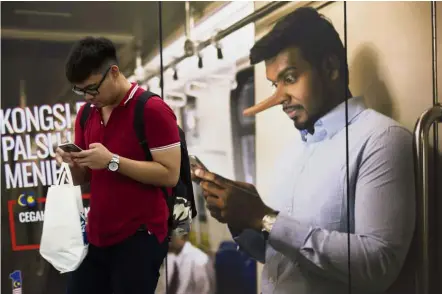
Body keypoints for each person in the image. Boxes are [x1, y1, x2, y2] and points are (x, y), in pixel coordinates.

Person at [192, 7, 416, 294]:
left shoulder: (381, 139)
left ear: (331, 68)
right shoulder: (293, 153)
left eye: (289, 78)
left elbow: (380, 265)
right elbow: (281, 258)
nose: (279, 97)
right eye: (275, 84)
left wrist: (264, 217)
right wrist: (241, 216)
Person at [56, 36, 181, 294]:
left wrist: (112, 161)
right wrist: (72, 163)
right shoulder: (87, 114)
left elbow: (170, 174)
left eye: (92, 88)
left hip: (140, 236)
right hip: (98, 234)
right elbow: (84, 178)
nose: (88, 97)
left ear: (113, 72)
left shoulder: (152, 110)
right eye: (81, 91)